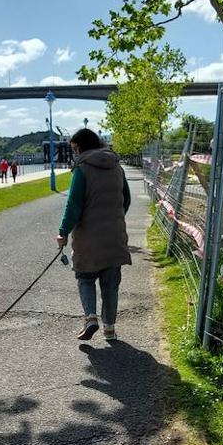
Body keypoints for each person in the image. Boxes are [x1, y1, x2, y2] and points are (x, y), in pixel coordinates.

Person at [56, 128, 131, 341]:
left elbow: (73, 206)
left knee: (85, 277)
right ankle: (109, 329)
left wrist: (63, 232)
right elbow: (126, 199)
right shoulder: (117, 167)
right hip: (115, 235)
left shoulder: (82, 169)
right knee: (110, 283)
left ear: (79, 147)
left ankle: (90, 317)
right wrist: (114, 219)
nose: (74, 153)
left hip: (88, 237)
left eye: (74, 149)